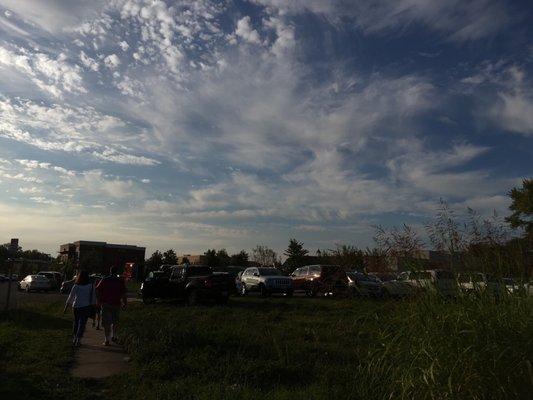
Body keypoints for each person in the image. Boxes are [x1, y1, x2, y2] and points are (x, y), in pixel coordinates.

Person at [63, 270, 96, 347]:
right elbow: (93, 297)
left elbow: (71, 297)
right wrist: (93, 306)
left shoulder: (76, 285)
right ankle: (79, 339)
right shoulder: (91, 286)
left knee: (76, 322)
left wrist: (66, 307)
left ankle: (74, 338)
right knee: (82, 323)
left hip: (76, 306)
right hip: (86, 306)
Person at [96, 266, 127, 346]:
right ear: (117, 272)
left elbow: (98, 290)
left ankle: (107, 339)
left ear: (110, 271)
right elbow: (123, 294)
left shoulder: (104, 279)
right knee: (115, 321)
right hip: (116, 304)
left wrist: (99, 300)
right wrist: (124, 303)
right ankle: (114, 335)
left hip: (106, 304)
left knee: (107, 322)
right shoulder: (120, 281)